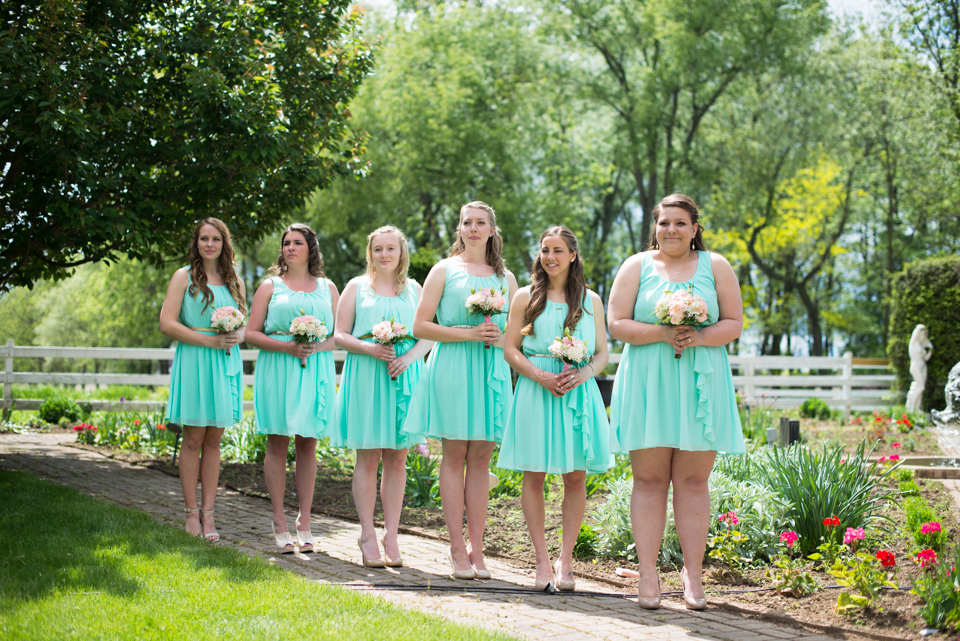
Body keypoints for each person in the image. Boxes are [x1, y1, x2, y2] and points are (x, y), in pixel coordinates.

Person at [607, 194, 745, 610]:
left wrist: (699, 336)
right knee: (648, 480)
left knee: (692, 481)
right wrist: (663, 332)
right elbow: (616, 322)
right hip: (649, 378)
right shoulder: (636, 265)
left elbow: (734, 322)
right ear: (655, 226)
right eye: (664, 223)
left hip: (700, 379)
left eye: (680, 223)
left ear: (695, 228)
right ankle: (648, 574)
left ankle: (693, 574)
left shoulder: (716, 266)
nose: (671, 230)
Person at [403, 201, 518, 579]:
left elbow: (516, 334)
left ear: (491, 230)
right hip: (452, 365)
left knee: (482, 460)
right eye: (466, 222)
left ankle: (478, 549)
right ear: (460, 229)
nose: (473, 228)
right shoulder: (444, 270)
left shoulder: (507, 278)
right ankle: (455, 548)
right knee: (454, 456)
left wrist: (501, 337)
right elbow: (420, 326)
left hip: (491, 369)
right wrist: (468, 333)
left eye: (480, 222)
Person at [498, 226, 612, 592]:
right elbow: (510, 349)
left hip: (577, 393)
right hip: (535, 389)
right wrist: (538, 376)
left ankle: (566, 562)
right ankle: (542, 562)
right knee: (534, 475)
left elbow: (603, 353)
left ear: (573, 255)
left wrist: (584, 375)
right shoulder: (524, 296)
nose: (550, 256)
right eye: (545, 249)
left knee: (575, 477)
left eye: (558, 250)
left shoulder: (591, 300)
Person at [329, 225, 434, 568]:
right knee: (369, 455)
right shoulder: (357, 288)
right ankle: (367, 534)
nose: (385, 255)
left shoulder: (415, 289)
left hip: (404, 375)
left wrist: (407, 358)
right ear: (370, 253)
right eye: (378, 249)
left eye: (391, 249)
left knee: (397, 457)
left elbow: (428, 337)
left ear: (402, 252)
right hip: (367, 374)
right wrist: (370, 348)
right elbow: (340, 335)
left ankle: (392, 533)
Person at [244, 223, 339, 554]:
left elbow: (337, 336)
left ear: (311, 248)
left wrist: (315, 348)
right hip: (279, 368)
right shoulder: (270, 286)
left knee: (308, 443)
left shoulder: (328, 288)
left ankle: (305, 521)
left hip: (315, 370)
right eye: (286, 243)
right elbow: (250, 334)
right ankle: (278, 519)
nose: (290, 248)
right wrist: (288, 348)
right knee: (278, 441)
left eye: (297, 242)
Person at [160, 217, 246, 542]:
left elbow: (244, 325)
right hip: (195, 359)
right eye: (203, 239)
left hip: (225, 363)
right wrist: (208, 340)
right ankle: (189, 513)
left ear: (224, 244)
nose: (209, 244)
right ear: (196, 243)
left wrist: (236, 334)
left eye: (216, 239)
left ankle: (209, 515)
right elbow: (167, 323)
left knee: (214, 441)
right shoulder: (183, 277)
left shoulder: (234, 279)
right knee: (193, 439)